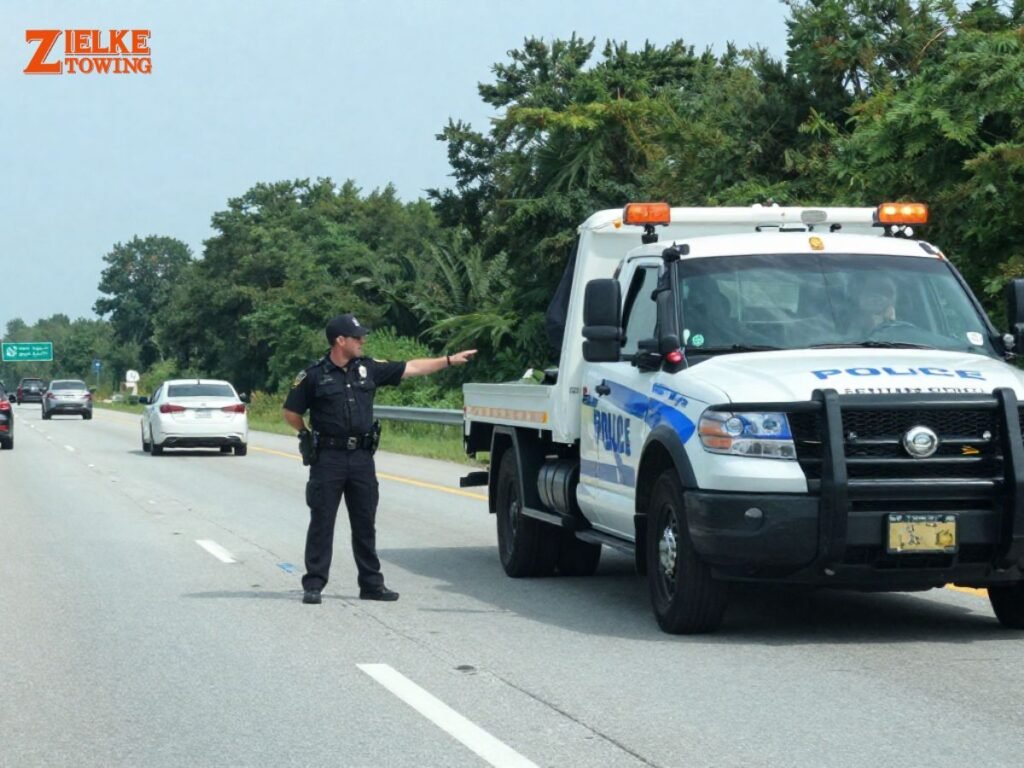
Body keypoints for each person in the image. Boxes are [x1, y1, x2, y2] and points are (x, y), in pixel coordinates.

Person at [282, 313, 477, 605]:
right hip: (329, 459)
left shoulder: (368, 369)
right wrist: (305, 435)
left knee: (365, 523)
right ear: (340, 340)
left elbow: (411, 368)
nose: (362, 341)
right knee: (322, 522)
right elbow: (291, 412)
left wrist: (447, 360)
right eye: (357, 337)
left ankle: (371, 584)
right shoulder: (313, 375)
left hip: (361, 457)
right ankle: (314, 584)